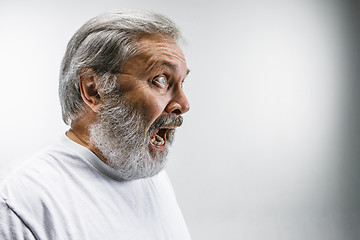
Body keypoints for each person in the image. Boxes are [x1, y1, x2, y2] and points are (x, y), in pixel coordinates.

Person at [0, 10, 191, 240]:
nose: (183, 103)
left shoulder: (152, 177)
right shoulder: (19, 202)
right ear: (94, 89)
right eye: (160, 80)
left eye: (182, 83)